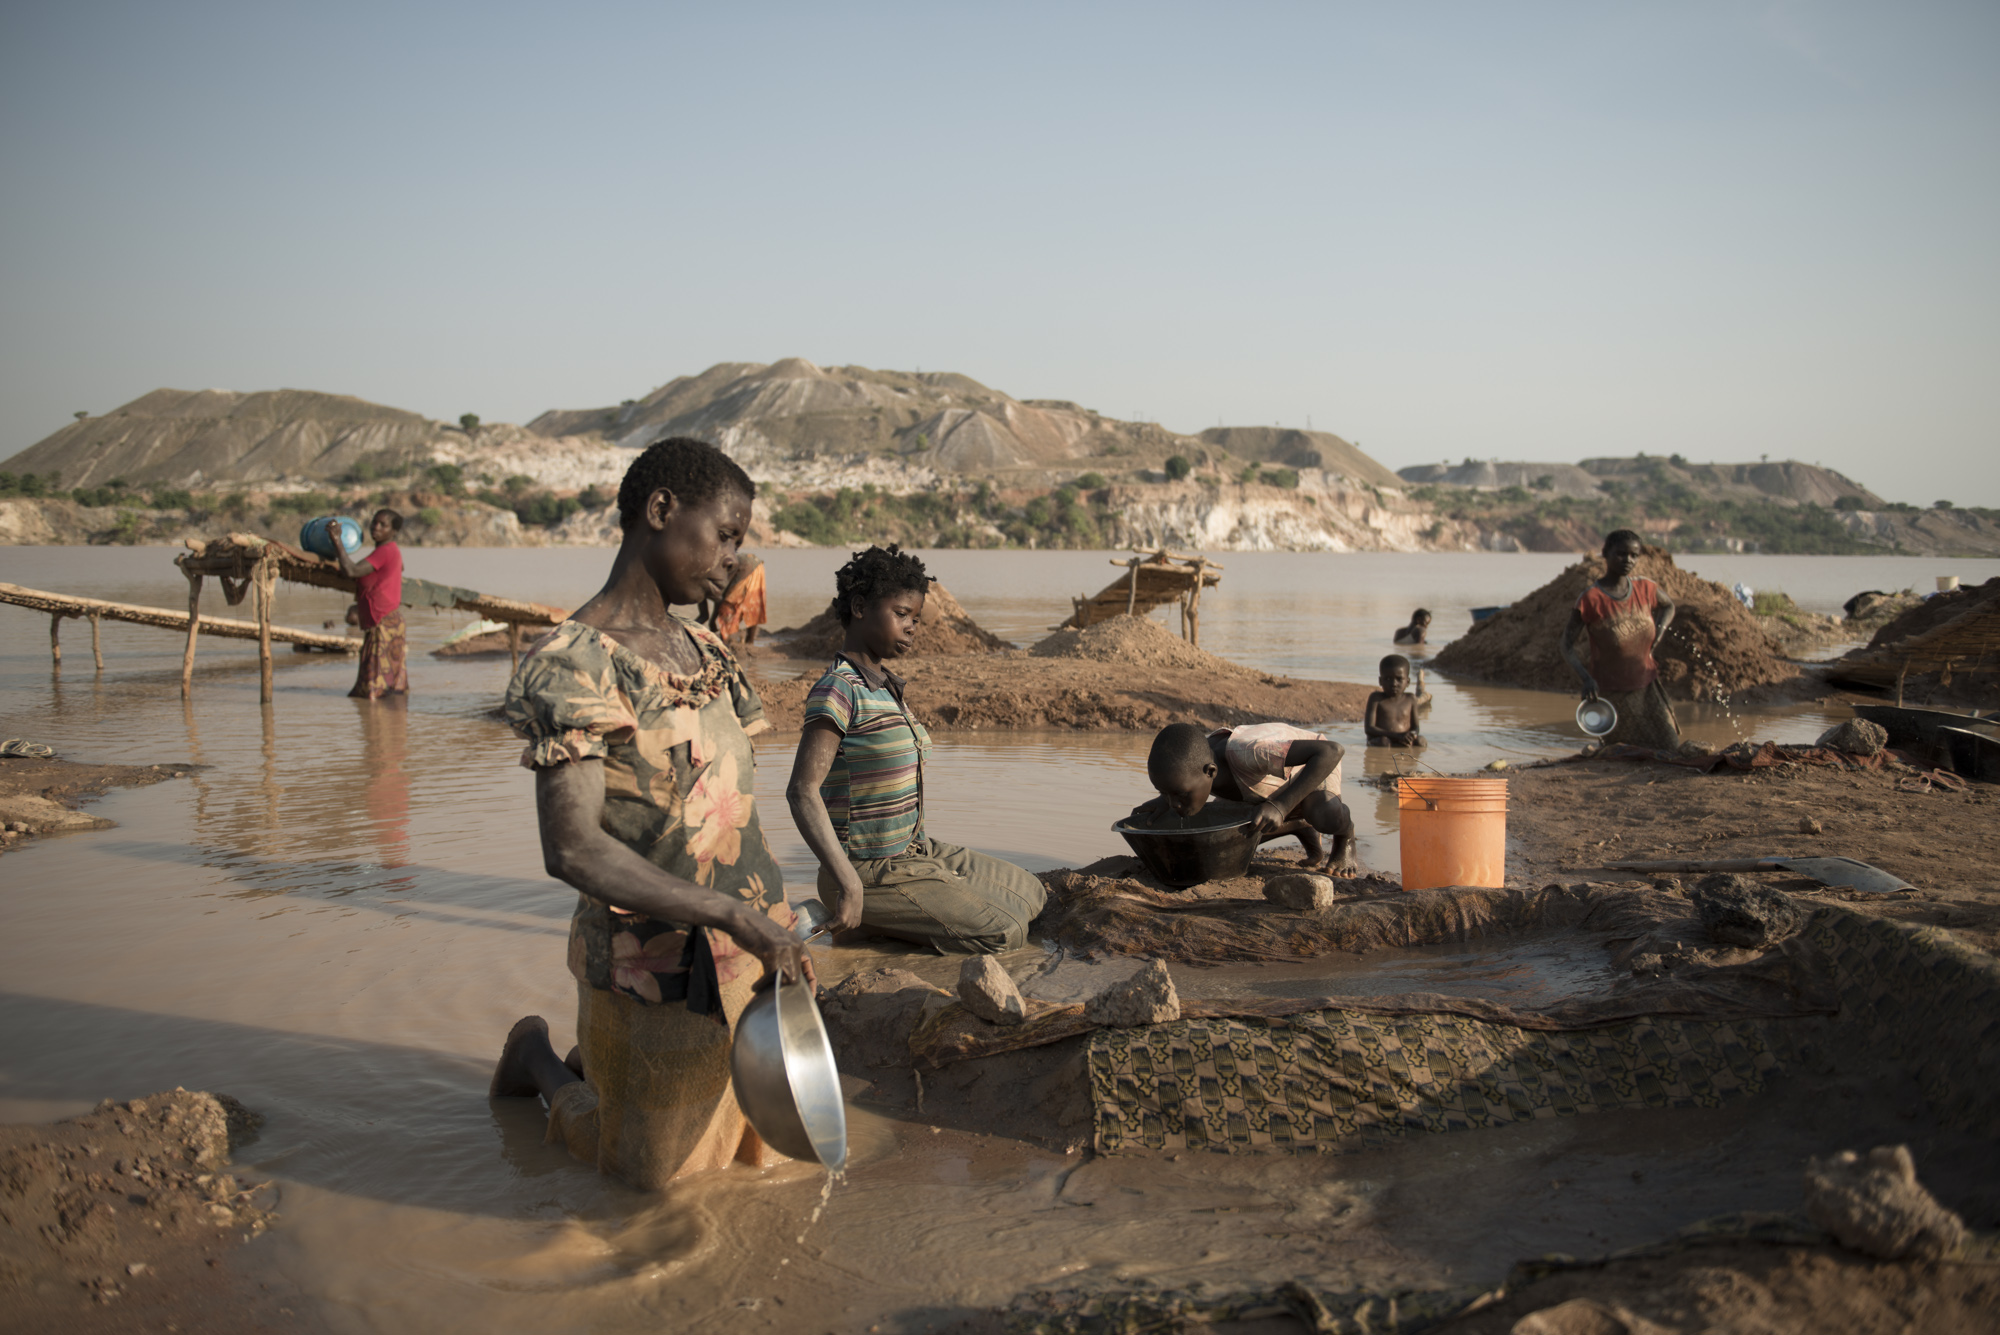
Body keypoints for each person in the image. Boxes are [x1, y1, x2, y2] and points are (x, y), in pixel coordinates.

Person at [489, 437, 813, 1190]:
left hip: (753, 948)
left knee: (753, 1149)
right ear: (660, 509)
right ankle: (538, 1060)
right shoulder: (573, 663)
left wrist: (770, 922)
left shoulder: (705, 649)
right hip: (653, 960)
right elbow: (572, 848)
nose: (733, 558)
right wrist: (728, 914)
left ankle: (593, 1068)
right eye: (725, 534)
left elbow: (733, 809)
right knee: (645, 1181)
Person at [786, 545, 1045, 953]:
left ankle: (881, 926)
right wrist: (849, 884)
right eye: (902, 614)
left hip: (915, 852)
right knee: (1004, 931)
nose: (911, 628)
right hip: (863, 870)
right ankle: (867, 929)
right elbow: (802, 791)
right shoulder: (839, 689)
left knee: (1031, 893)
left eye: (916, 619)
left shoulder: (887, 689)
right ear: (859, 607)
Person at [1136, 721, 1359, 877]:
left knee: (1323, 813)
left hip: (1312, 766)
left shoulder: (1249, 753)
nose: (1174, 803)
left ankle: (1345, 836)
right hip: (1266, 784)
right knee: (1221, 842)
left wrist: (1281, 807)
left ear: (1211, 772)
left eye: (1180, 794)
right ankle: (1299, 825)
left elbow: (1332, 751)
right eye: (1164, 792)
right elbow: (1180, 781)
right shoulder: (1195, 766)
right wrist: (1164, 799)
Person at [1560, 529, 1681, 750]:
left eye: (1634, 555)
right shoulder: (1591, 599)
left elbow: (1668, 606)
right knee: (1621, 753)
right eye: (1621, 554)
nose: (1628, 560)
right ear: (1606, 553)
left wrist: (1659, 631)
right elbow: (1566, 645)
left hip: (1648, 687)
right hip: (1612, 693)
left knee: (1670, 746)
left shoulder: (1645, 588)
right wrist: (1586, 678)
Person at [328, 509, 407, 699]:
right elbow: (398, 568)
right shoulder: (389, 551)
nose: (376, 527)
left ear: (393, 532)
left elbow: (352, 570)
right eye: (374, 523)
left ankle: (376, 719)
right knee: (386, 687)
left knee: (374, 689)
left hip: (383, 622)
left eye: (383, 525)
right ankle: (388, 717)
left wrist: (337, 540)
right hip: (387, 621)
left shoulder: (385, 551)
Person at [701, 550, 767, 646]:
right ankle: (750, 641)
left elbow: (720, 597)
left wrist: (712, 621)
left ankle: (726, 642)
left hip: (745, 566)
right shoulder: (707, 572)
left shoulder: (709, 575)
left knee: (727, 607)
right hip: (756, 564)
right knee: (752, 604)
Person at [1364, 655, 1425, 748]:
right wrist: (1397, 736)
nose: (1394, 684)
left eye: (1399, 679)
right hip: (1382, 739)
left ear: (1408, 681)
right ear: (1380, 681)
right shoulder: (1376, 699)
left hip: (1403, 739)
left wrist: (1411, 735)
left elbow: (1416, 727)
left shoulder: (1411, 699)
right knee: (1384, 742)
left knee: (1420, 741)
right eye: (1388, 679)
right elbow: (1369, 729)